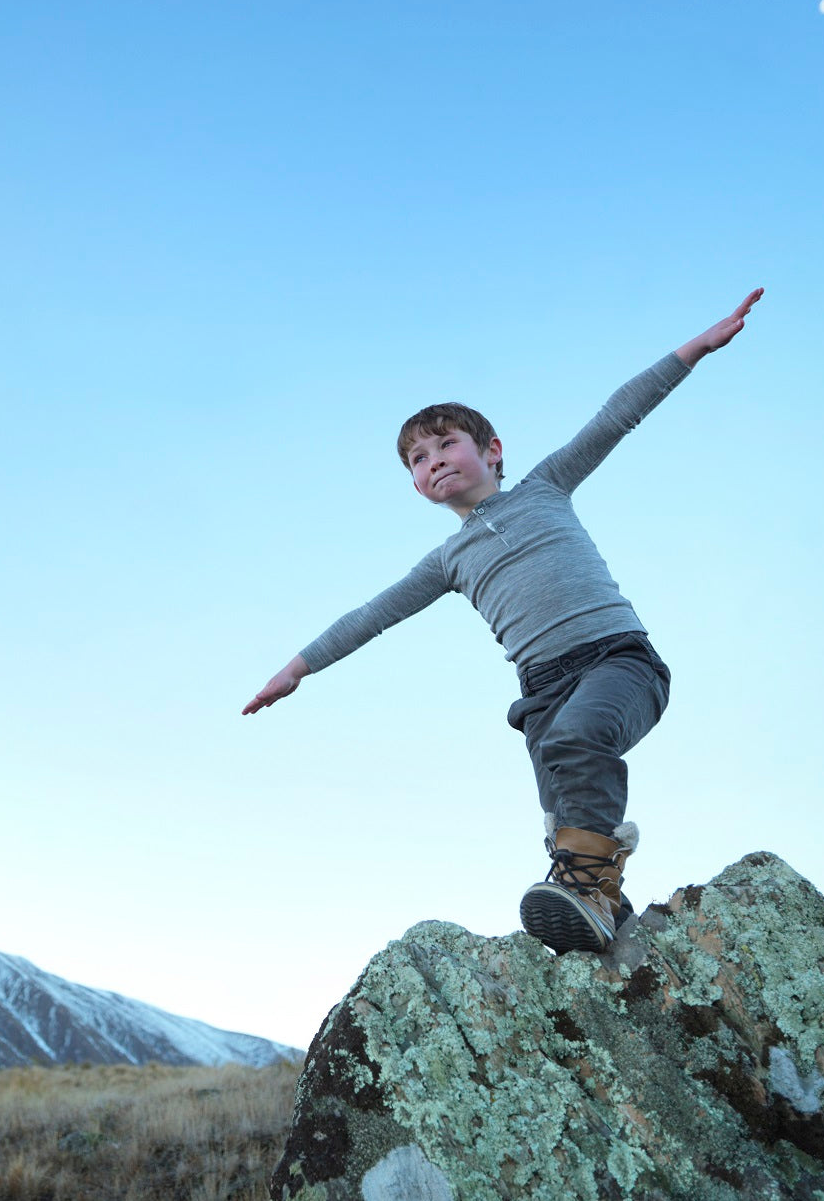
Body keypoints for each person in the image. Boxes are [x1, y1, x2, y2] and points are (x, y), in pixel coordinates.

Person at [242, 288, 764, 954]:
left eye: (444, 443)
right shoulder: (445, 561)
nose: (431, 460)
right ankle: (600, 904)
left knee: (579, 742)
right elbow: (371, 616)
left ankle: (585, 884)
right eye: (416, 459)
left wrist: (692, 349)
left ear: (490, 449)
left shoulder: (545, 486)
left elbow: (613, 418)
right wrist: (296, 668)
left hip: (618, 662)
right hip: (541, 689)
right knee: (561, 814)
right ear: (413, 485)